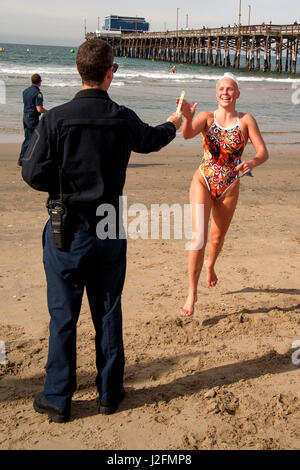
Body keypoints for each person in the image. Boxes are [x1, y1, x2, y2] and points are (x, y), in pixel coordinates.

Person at [21, 38, 182, 423]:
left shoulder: (55, 119)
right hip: (108, 223)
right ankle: (109, 393)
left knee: (64, 314)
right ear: (110, 72)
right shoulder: (121, 117)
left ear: (80, 71)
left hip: (67, 228)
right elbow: (151, 139)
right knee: (107, 310)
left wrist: (62, 186)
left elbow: (30, 171)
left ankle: (58, 398)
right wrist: (175, 122)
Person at [177, 72, 268, 317]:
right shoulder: (206, 117)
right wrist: (186, 117)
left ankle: (211, 265)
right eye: (221, 89)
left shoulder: (246, 120)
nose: (225, 93)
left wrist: (253, 162)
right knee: (198, 238)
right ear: (216, 94)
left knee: (216, 241)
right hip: (203, 181)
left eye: (230, 89)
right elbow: (186, 134)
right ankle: (192, 293)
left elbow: (263, 152)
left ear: (237, 94)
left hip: (229, 187)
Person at [18, 74, 47, 166]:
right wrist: (48, 112)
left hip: (25, 116)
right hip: (32, 118)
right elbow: (39, 108)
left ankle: (22, 159)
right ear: (40, 82)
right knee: (33, 139)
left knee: (27, 138)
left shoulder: (25, 91)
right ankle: (28, 160)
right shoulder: (38, 93)